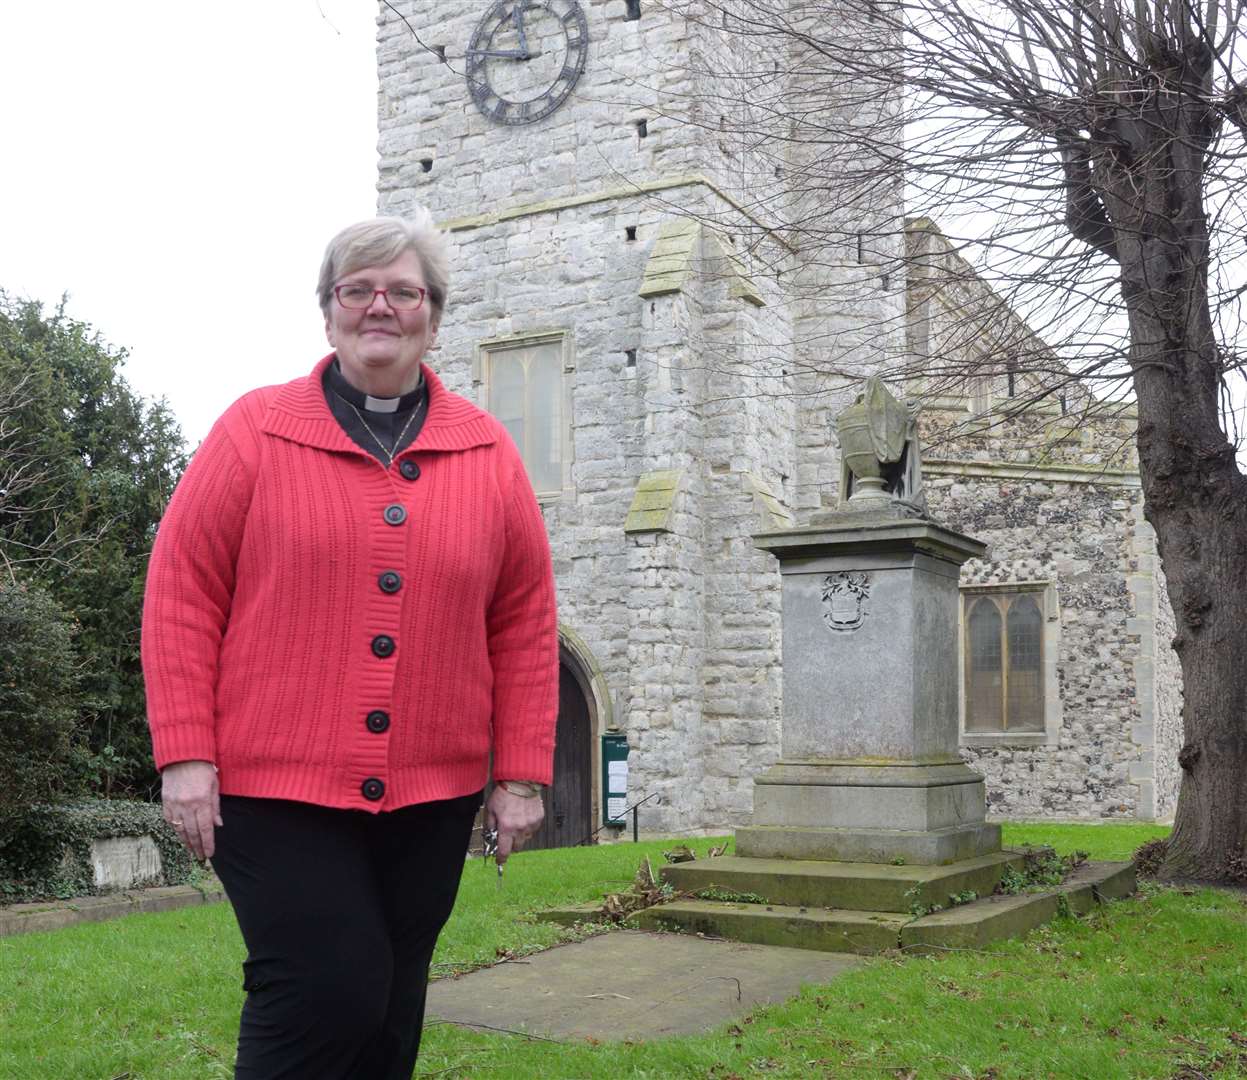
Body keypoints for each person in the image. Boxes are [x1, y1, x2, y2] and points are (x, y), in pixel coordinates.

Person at [141, 213, 558, 1079]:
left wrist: (519, 774)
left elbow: (522, 618)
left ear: (433, 316)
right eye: (357, 290)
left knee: (393, 1003)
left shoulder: (486, 450)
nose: (380, 307)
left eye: (402, 291)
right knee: (327, 988)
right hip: (271, 784)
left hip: (429, 794)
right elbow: (181, 593)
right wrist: (185, 756)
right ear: (328, 312)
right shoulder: (254, 430)